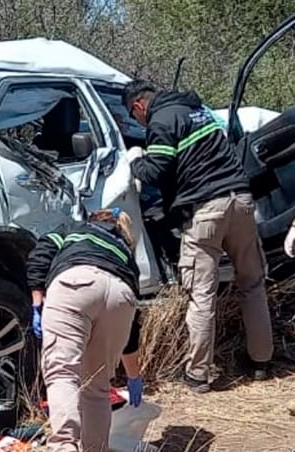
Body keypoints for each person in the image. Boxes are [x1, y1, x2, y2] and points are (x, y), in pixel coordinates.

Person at [123, 80, 273, 393]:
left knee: (201, 294)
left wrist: (135, 159)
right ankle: (261, 361)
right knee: (253, 284)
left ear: (138, 105)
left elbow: (156, 171)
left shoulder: (162, 121)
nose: (138, 122)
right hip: (241, 201)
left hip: (206, 211)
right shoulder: (199, 110)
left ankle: (197, 375)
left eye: (133, 116)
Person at [27, 208, 143, 452]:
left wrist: (37, 300)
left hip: (75, 284)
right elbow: (131, 331)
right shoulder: (125, 254)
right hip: (122, 295)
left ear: (93, 220)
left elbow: (41, 254)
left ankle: (65, 446)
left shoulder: (74, 229)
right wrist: (134, 376)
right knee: (97, 386)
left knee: (62, 372)